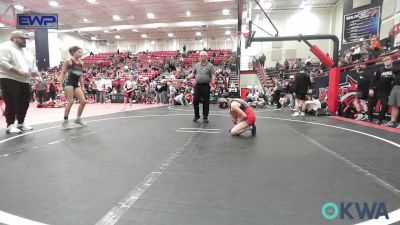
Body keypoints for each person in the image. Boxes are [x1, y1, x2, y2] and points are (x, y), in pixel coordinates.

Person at [0, 31, 37, 134]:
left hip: (25, 80)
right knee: (11, 102)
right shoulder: (4, 47)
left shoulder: (26, 51)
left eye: (25, 39)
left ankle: (21, 123)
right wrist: (18, 70)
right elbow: (2, 62)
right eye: (22, 39)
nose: (24, 41)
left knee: (24, 103)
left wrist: (34, 71)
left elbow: (32, 64)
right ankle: (10, 125)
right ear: (14, 38)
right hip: (9, 78)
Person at [59, 46, 87, 129]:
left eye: (81, 52)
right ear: (73, 53)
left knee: (83, 101)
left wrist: (82, 86)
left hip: (76, 84)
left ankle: (78, 119)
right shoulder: (68, 61)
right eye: (79, 52)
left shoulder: (81, 63)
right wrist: (60, 86)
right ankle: (65, 122)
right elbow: (63, 74)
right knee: (70, 102)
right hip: (69, 83)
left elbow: (81, 76)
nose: (81, 53)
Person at [188, 51, 216, 123]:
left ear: (206, 57)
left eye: (201, 56)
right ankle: (196, 115)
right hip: (197, 86)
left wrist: (213, 81)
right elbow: (193, 73)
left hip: (206, 86)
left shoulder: (210, 66)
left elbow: (213, 75)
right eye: (199, 56)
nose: (199, 57)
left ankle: (205, 117)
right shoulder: (197, 65)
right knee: (195, 101)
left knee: (206, 102)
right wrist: (187, 78)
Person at [368, 56, 394, 125]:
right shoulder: (380, 70)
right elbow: (373, 80)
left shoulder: (394, 71)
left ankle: (379, 120)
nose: (387, 61)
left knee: (385, 105)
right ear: (383, 63)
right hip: (376, 90)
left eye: (388, 60)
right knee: (371, 105)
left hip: (385, 91)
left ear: (391, 60)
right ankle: (370, 119)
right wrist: (371, 89)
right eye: (385, 61)